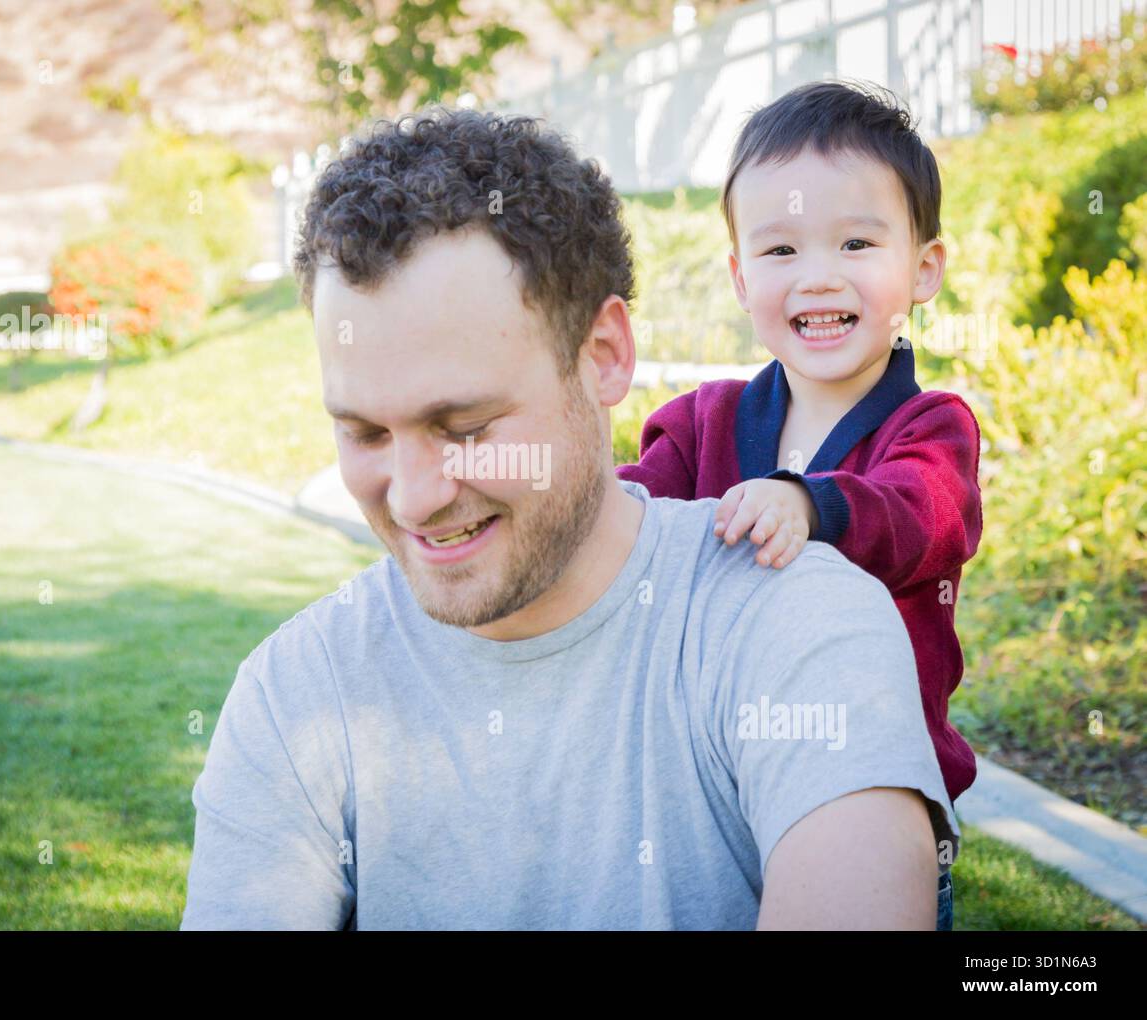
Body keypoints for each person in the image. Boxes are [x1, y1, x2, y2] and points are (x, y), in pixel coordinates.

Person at [179, 105, 959, 931]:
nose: (413, 498)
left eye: (467, 427)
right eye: (366, 431)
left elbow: (922, 510)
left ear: (605, 357)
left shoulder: (802, 625)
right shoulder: (295, 694)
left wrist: (815, 503)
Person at [616, 81, 984, 931]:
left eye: (856, 242)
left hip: (864, 793)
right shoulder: (701, 422)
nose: (818, 276)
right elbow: (625, 522)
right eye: (781, 252)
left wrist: (811, 504)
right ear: (742, 279)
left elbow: (924, 514)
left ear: (923, 268)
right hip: (710, 793)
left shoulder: (929, 429)